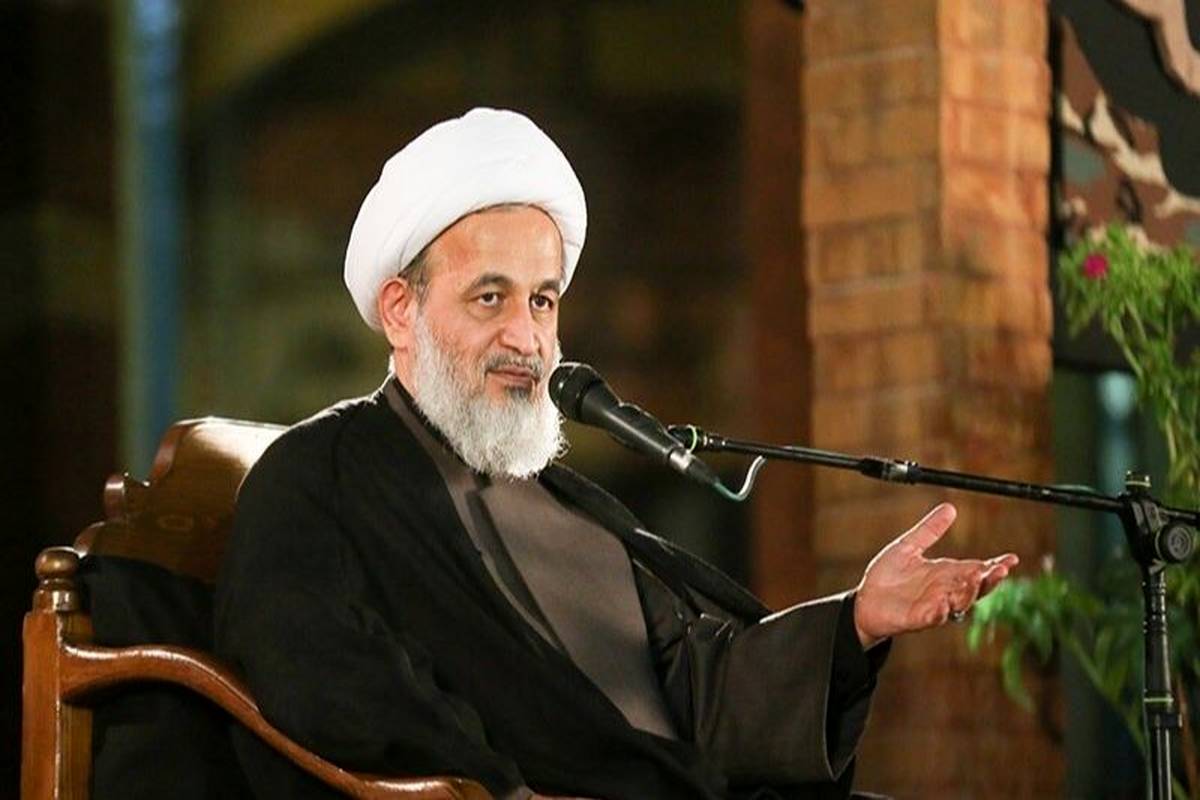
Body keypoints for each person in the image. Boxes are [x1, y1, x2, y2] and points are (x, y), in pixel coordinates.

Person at [214, 108, 1018, 800]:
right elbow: (341, 701)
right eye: (490, 297)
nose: (527, 337)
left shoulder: (559, 500)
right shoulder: (317, 479)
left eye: (542, 300)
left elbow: (688, 691)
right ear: (400, 309)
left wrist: (856, 622)